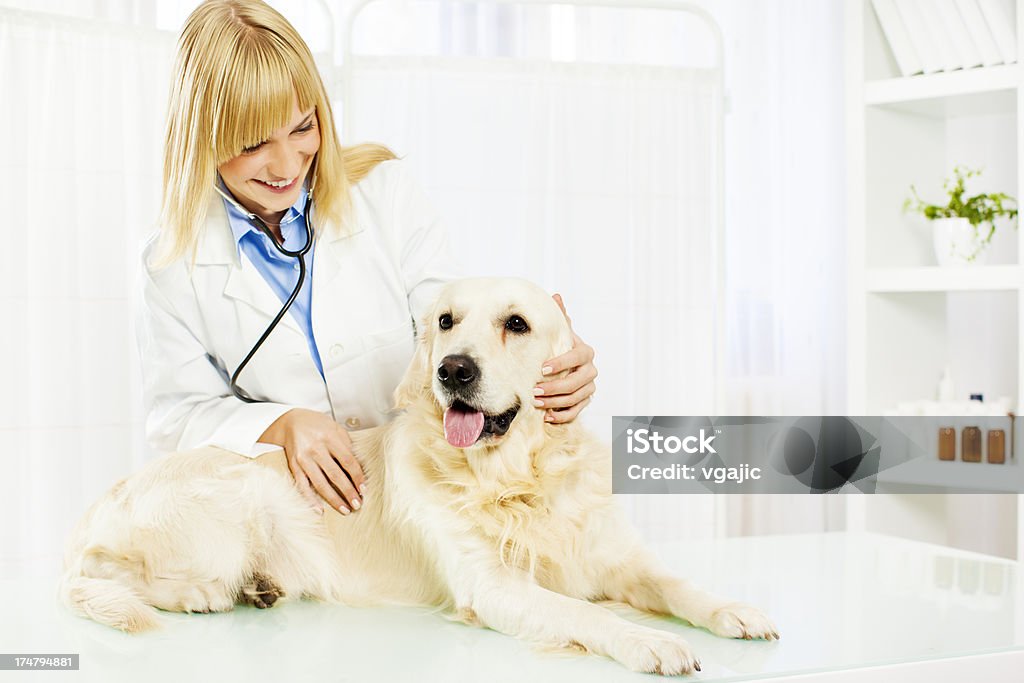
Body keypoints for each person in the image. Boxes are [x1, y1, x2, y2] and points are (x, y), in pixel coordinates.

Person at [138, 0, 598, 517]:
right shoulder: (172, 263)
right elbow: (178, 414)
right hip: (299, 514)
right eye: (253, 143)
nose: (286, 165)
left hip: (422, 492)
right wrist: (280, 423)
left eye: (302, 128)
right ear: (201, 137)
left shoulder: (385, 193)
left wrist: (552, 356)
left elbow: (451, 326)